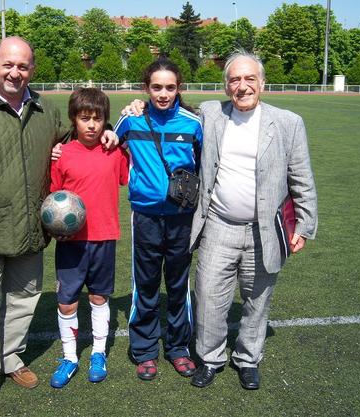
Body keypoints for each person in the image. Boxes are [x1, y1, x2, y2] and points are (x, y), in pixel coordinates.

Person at [0, 37, 116, 416]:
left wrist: (109, 129)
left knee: (22, 303)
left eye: (23, 66)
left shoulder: (44, 109)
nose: (15, 72)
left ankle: (11, 359)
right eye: (8, 64)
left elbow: (78, 135)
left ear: (32, 69)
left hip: (33, 231)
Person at [188, 50, 318, 390]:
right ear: (226, 84)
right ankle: (210, 358)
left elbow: (301, 178)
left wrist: (304, 225)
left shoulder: (288, 123)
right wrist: (138, 107)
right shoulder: (210, 113)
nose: (242, 86)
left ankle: (247, 359)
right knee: (208, 296)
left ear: (262, 83)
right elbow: (170, 112)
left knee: (257, 300)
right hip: (218, 224)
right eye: (234, 79)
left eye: (250, 79)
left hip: (266, 230)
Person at [114, 58, 203, 381]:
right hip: (146, 217)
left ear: (179, 88)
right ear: (146, 88)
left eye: (170, 87)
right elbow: (106, 143)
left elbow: (207, 165)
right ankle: (145, 351)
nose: (163, 94)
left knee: (179, 285)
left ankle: (179, 348)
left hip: (182, 218)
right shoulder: (131, 119)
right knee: (146, 285)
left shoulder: (193, 123)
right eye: (156, 87)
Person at [48, 88, 129, 388]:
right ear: (74, 119)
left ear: (106, 121)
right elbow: (52, 198)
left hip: (104, 237)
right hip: (71, 242)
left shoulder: (115, 152)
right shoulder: (62, 154)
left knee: (98, 297)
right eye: (85, 119)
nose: (92, 125)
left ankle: (97, 353)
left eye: (98, 119)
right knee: (66, 302)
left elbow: (128, 177)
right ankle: (70, 357)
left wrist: (123, 139)